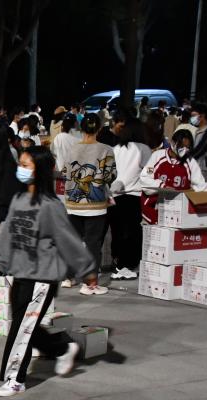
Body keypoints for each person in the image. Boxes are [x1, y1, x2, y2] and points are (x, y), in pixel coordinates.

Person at [0, 146, 93, 397]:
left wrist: (86, 269)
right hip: (20, 273)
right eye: (20, 165)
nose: (21, 169)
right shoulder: (19, 200)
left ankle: (16, 379)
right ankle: (62, 348)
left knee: (21, 329)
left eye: (26, 165)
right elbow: (7, 234)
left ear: (41, 170)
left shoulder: (51, 206)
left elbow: (68, 240)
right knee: (25, 325)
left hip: (42, 277)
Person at [60, 114, 116, 295]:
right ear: (99, 128)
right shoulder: (106, 149)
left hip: (72, 203)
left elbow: (64, 172)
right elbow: (110, 175)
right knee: (93, 244)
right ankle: (89, 284)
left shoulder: (72, 149)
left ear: (81, 128)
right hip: (95, 204)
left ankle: (68, 277)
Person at [108, 117, 151, 280]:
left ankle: (117, 262)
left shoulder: (115, 149)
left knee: (117, 231)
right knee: (133, 232)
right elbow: (149, 173)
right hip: (134, 196)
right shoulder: (143, 149)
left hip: (115, 195)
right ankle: (129, 265)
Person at [140, 129, 207, 225]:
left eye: (187, 147)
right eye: (181, 146)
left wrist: (191, 193)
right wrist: (162, 186)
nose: (184, 150)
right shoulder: (157, 156)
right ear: (173, 143)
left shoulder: (190, 162)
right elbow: (145, 178)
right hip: (152, 209)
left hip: (176, 213)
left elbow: (201, 185)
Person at [190, 104, 207, 181]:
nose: (192, 118)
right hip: (196, 165)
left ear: (202, 116)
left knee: (200, 188)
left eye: (194, 116)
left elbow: (201, 148)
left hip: (205, 168)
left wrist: (186, 158)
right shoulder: (197, 130)